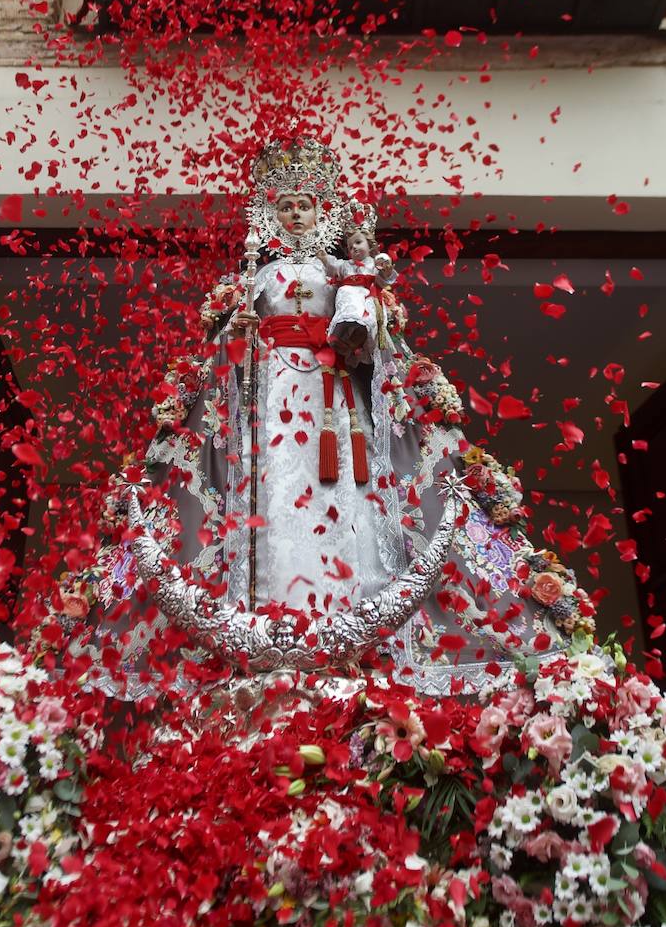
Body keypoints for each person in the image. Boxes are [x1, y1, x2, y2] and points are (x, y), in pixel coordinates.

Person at [77, 141, 594, 699]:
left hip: (332, 401)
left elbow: (372, 340)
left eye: (306, 204)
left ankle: (347, 617)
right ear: (271, 213)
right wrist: (239, 333)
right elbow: (226, 351)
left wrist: (358, 311)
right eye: (287, 205)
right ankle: (272, 617)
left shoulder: (344, 270)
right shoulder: (258, 275)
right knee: (273, 499)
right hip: (272, 404)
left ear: (324, 212)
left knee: (340, 495)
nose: (296, 213)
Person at [317, 211, 396, 361]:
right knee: (348, 319)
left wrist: (386, 271)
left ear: (370, 244)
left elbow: (383, 281)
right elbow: (333, 265)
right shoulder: (345, 265)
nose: (354, 247)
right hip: (348, 298)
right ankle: (345, 342)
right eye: (350, 246)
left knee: (366, 324)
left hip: (366, 299)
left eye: (358, 242)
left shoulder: (374, 264)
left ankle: (353, 345)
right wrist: (324, 258)